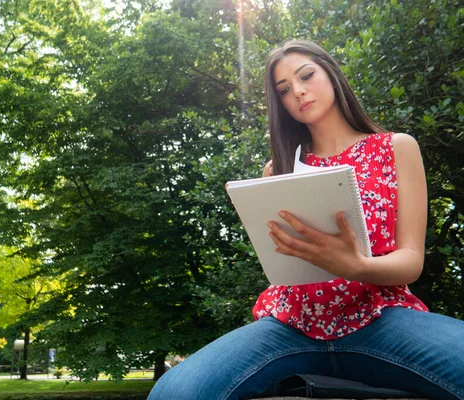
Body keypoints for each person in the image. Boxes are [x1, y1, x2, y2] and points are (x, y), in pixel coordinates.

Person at [147, 40, 464, 400]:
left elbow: (411, 261)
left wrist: (356, 265)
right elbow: (279, 261)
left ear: (331, 73)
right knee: (172, 392)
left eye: (306, 76)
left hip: (381, 318)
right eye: (283, 90)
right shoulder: (277, 169)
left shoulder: (396, 148)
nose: (297, 92)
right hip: (291, 325)